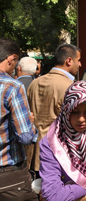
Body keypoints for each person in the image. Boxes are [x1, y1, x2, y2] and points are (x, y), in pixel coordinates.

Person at [27, 44, 82, 175]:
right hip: (54, 154)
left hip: (32, 152)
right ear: (69, 61)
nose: (80, 65)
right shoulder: (70, 87)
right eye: (78, 60)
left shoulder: (35, 82)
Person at [0, 38, 38, 201]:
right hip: (8, 173)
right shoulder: (12, 86)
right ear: (12, 58)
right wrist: (30, 123)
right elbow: (25, 136)